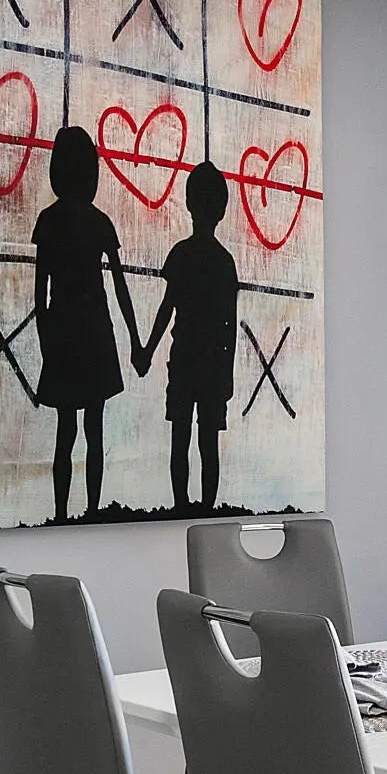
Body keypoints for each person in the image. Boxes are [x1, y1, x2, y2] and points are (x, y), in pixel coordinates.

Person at [31, 126, 141, 521]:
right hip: (95, 332)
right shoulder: (99, 222)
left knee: (67, 430)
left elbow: (40, 293)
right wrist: (136, 342)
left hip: (64, 333)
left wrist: (46, 340)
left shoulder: (49, 220)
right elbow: (120, 288)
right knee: (94, 428)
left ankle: (63, 513)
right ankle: (92, 511)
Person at [135, 161, 241, 512]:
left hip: (184, 361)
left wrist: (147, 350)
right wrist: (227, 373)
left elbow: (167, 309)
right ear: (221, 210)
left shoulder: (182, 254)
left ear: (189, 203)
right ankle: (205, 509)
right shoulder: (224, 262)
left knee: (181, 439)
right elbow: (230, 325)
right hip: (208, 364)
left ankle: (181, 506)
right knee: (206, 442)